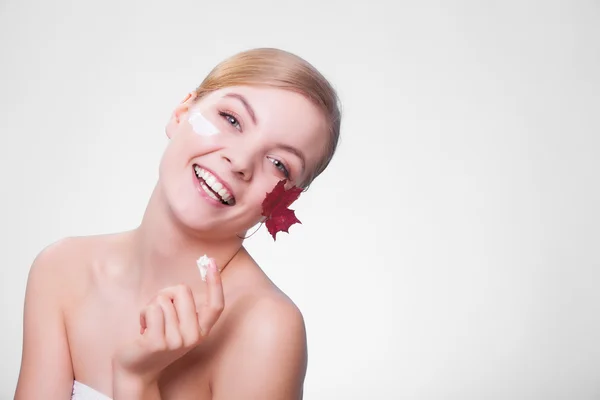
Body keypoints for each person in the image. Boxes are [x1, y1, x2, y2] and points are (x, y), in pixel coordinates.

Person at [14, 47, 341, 400]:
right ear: (182, 112)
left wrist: (135, 381)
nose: (241, 160)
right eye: (232, 119)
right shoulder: (62, 269)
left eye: (279, 164)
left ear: (285, 201)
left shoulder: (267, 329)